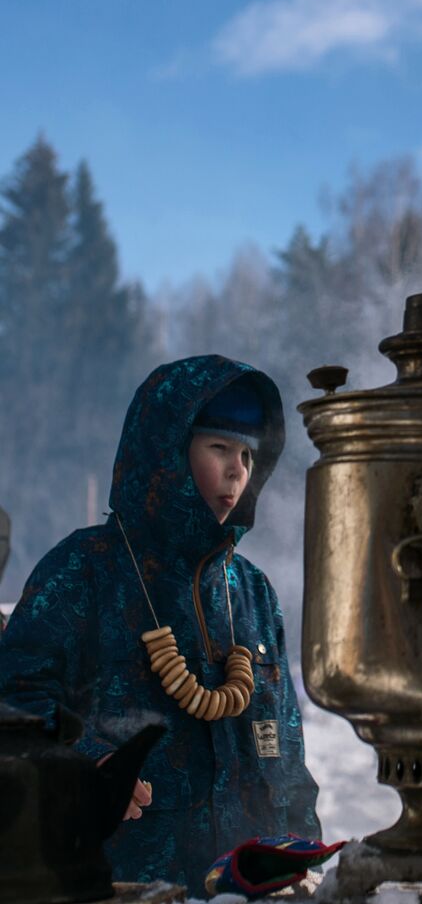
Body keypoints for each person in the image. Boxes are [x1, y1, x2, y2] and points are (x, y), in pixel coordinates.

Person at [0, 356, 320, 895]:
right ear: (168, 453)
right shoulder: (84, 571)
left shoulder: (253, 592)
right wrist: (87, 768)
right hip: (125, 885)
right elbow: (13, 699)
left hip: (251, 891)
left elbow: (285, 751)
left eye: (247, 453)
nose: (238, 469)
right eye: (219, 447)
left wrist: (307, 854)